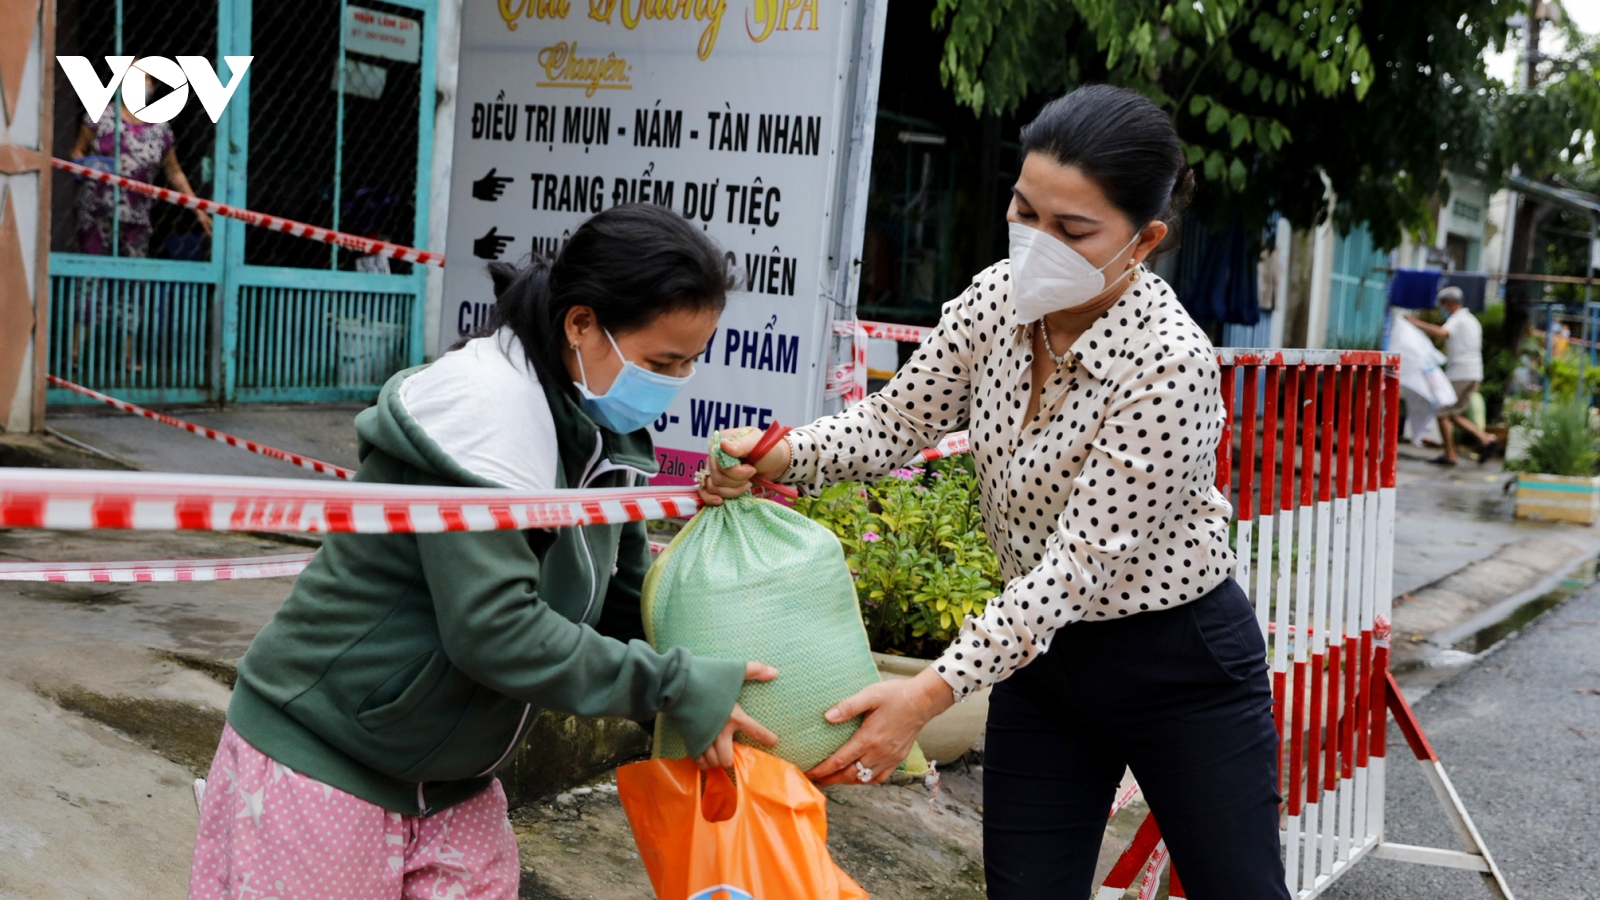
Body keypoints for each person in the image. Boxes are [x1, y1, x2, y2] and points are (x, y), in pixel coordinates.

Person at [705, 84, 1289, 899]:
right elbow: (892, 424)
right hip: (1044, 668)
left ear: (1146, 239)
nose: (1037, 244)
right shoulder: (994, 301)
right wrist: (777, 452)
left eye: (1073, 230)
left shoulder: (1169, 363)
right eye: (1025, 213)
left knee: (1240, 891)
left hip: (1176, 662)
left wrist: (926, 695)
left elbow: (1076, 568)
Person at [188, 204, 777, 900]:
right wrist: (670, 684)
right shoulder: (482, 415)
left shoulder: (601, 438)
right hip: (325, 759)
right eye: (662, 361)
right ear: (582, 323)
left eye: (690, 362)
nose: (677, 382)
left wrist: (717, 685)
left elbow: (621, 606)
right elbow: (494, 631)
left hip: (453, 784)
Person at [69, 73, 212, 256]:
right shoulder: (101, 116)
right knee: (91, 275)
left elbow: (174, 172)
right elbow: (78, 151)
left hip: (136, 218)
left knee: (129, 279)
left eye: (146, 78)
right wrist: (85, 166)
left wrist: (198, 209)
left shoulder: (160, 128)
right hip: (96, 212)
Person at [1407, 286, 1498, 465]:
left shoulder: (1458, 319)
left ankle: (1450, 454)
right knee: (1454, 414)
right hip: (1474, 372)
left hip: (1460, 373)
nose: (1443, 309)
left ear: (1449, 303)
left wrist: (1415, 323)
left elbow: (1443, 332)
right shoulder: (1473, 320)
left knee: (1442, 413)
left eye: (1443, 305)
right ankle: (1486, 439)